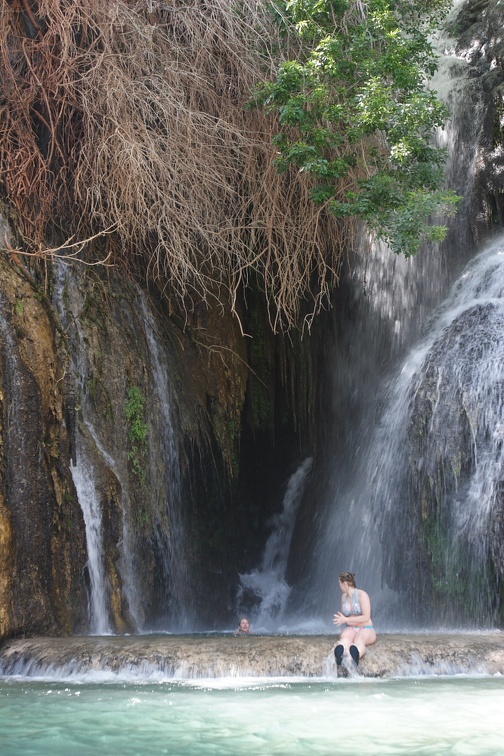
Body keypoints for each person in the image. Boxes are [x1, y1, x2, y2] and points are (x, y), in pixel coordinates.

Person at [333, 571, 376, 667]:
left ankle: (356, 654)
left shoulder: (362, 595)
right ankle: (339, 653)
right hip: (351, 628)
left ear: (345, 584)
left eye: (339, 583)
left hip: (366, 628)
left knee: (359, 639)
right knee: (345, 637)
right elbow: (343, 616)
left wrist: (346, 620)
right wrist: (340, 619)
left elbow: (366, 617)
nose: (339, 586)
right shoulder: (344, 597)